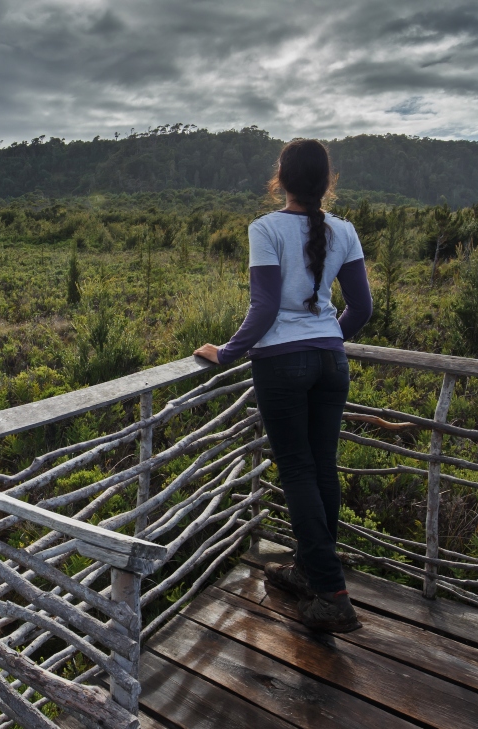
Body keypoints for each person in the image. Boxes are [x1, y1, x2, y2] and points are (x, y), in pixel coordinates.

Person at [193, 138, 373, 633]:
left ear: (282, 179)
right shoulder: (346, 231)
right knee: (322, 469)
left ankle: (333, 594)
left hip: (282, 363)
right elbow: (361, 307)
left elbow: (265, 307)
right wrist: (327, 337)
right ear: (326, 182)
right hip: (330, 361)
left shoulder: (265, 228)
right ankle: (310, 573)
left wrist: (225, 353)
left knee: (296, 470)